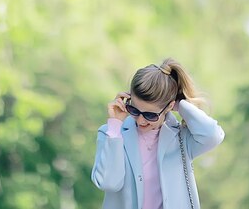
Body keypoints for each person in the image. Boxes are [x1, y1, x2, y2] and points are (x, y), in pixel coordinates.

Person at [91, 58, 225, 209]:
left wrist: (180, 104)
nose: (141, 120)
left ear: (169, 107)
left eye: (150, 115)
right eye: (134, 110)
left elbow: (213, 135)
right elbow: (109, 183)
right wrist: (115, 125)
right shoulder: (111, 134)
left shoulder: (181, 139)